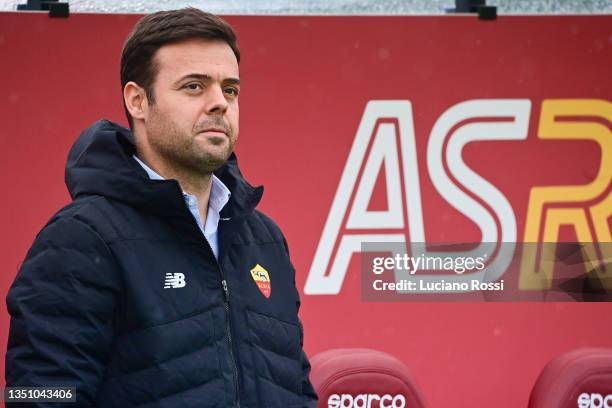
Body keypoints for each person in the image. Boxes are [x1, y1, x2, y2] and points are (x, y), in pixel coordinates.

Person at [6, 8, 317, 407]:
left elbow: (296, 390)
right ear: (138, 101)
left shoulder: (265, 240)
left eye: (231, 89)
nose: (219, 103)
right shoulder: (80, 238)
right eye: (194, 86)